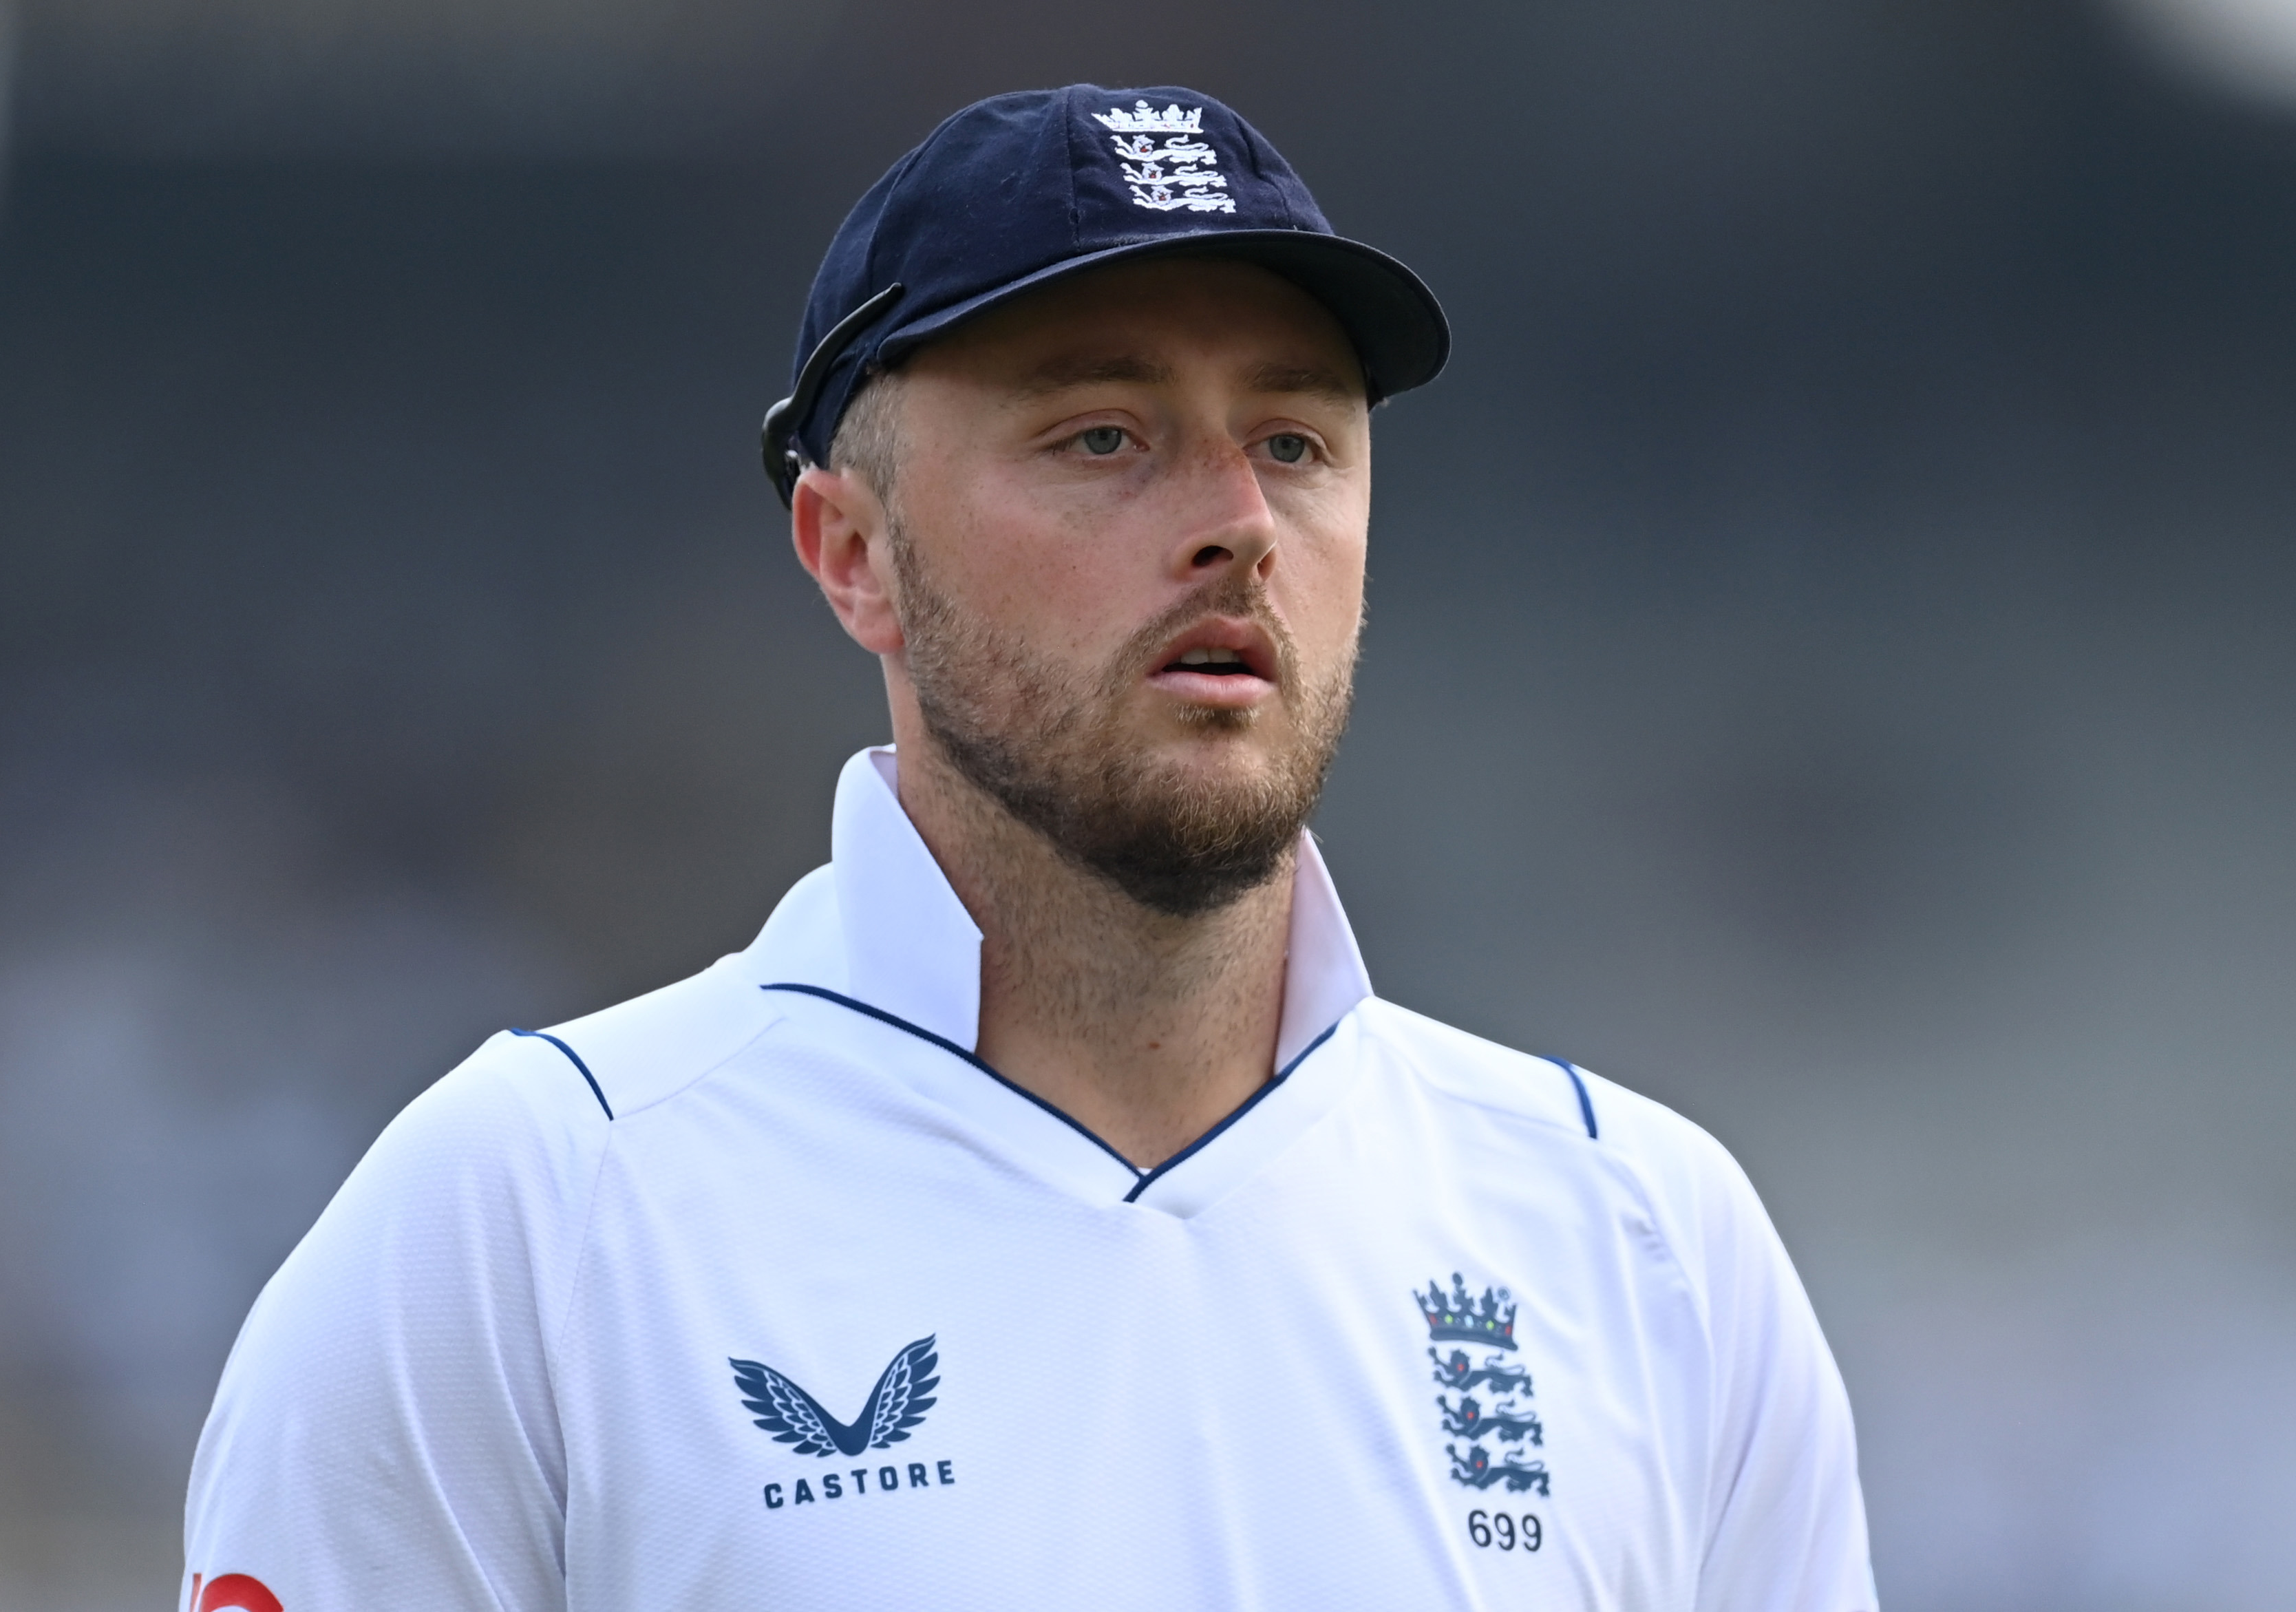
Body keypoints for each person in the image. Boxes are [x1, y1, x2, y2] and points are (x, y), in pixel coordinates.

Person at [180, 84, 1875, 1611]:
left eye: (1292, 441)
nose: (1234, 520)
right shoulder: (527, 1219)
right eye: (1101, 438)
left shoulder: (1642, 1239)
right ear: (850, 553)